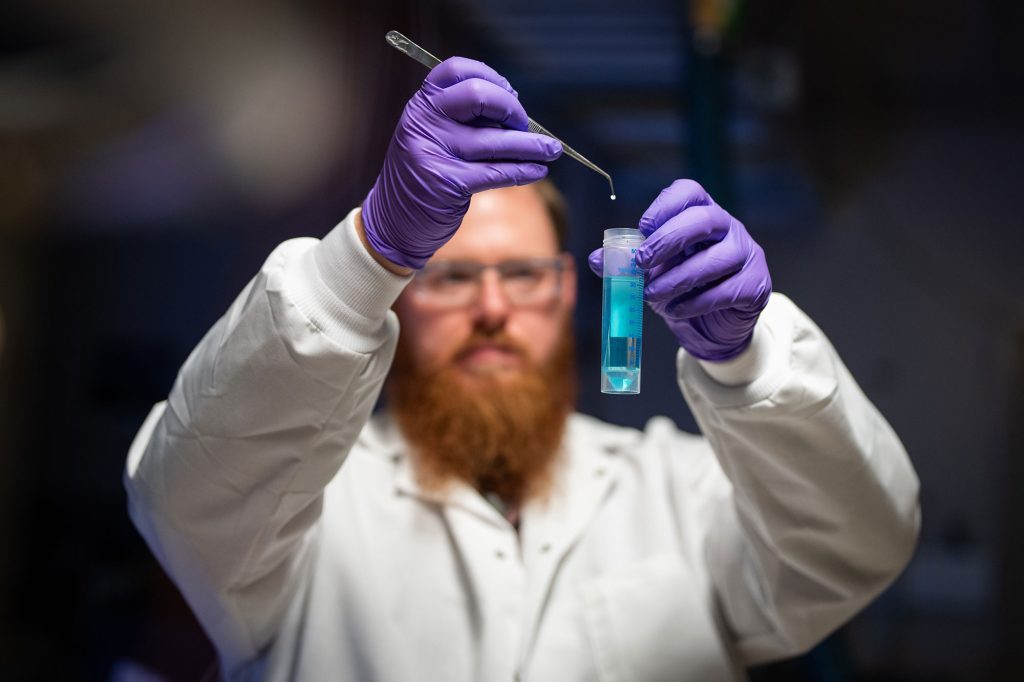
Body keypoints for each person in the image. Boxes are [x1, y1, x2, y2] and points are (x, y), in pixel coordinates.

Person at [125, 57, 920, 681]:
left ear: (570, 290)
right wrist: (366, 248)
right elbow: (184, 493)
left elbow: (859, 546)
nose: (495, 308)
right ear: (399, 297)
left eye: (525, 273)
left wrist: (747, 362)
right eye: (452, 275)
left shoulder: (674, 491)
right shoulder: (309, 503)